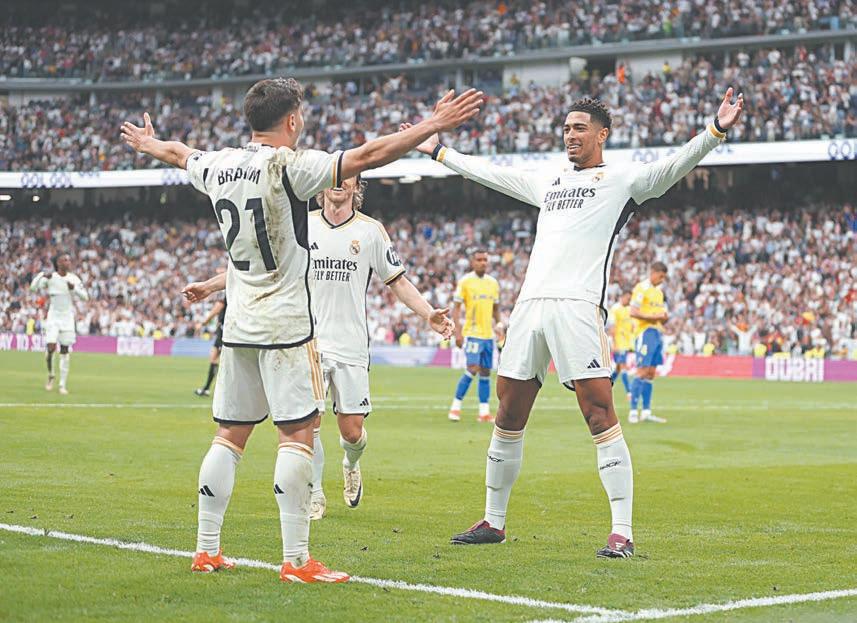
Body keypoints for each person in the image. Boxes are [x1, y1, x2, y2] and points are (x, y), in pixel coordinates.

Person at [121, 76, 483, 582]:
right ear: (292, 120)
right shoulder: (291, 166)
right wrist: (433, 124)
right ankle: (296, 560)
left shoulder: (219, 163)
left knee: (229, 435)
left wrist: (148, 144)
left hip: (239, 323)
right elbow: (370, 154)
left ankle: (206, 550)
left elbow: (180, 154)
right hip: (288, 325)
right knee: (297, 435)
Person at [402, 87, 744, 557]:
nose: (570, 135)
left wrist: (715, 130)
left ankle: (621, 531)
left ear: (602, 135)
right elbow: (493, 174)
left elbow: (673, 166)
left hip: (578, 307)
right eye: (566, 128)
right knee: (508, 412)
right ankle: (493, 521)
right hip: (530, 306)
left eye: (579, 128)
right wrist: (440, 151)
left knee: (598, 411)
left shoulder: (623, 180)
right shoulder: (551, 181)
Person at [184, 175, 454, 522]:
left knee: (352, 432)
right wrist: (209, 286)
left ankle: (351, 463)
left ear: (357, 188)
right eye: (334, 178)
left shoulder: (371, 231)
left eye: (347, 179)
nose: (339, 183)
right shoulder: (300, 225)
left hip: (351, 344)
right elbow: (260, 265)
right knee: (309, 422)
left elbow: (398, 282)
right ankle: (315, 492)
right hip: (308, 340)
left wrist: (428, 313)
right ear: (322, 186)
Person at [447, 250, 501, 423]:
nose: (483, 262)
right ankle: (455, 407)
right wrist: (457, 332)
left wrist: (499, 326)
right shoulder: (465, 281)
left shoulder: (493, 283)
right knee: (472, 368)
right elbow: (456, 308)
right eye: (479, 259)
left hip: (488, 335)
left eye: (485, 259)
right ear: (473, 262)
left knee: (485, 372)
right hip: (472, 333)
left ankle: (484, 413)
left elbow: (496, 309)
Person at [29, 253, 89, 395]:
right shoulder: (51, 278)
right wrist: (42, 275)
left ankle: (62, 384)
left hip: (67, 318)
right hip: (53, 317)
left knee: (64, 350)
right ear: (58, 263)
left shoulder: (73, 279)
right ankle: (51, 375)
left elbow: (85, 297)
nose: (68, 262)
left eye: (69, 260)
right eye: (65, 260)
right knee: (50, 347)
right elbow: (33, 288)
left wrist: (74, 289)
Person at [629, 263, 669, 424]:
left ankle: (646, 412)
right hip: (644, 332)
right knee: (642, 370)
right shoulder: (641, 288)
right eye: (660, 276)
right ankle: (633, 411)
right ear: (653, 272)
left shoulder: (659, 293)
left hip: (657, 332)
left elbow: (660, 315)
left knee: (651, 372)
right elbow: (633, 311)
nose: (662, 280)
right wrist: (654, 317)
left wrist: (663, 318)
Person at [194, 297, 225, 397]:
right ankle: (207, 388)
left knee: (223, 361)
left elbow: (217, 309)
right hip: (222, 331)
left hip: (225, 332)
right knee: (213, 358)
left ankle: (220, 389)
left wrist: (203, 323)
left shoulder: (225, 295)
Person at [607, 290, 633, 400]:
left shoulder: (628, 308)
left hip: (626, 342)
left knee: (618, 368)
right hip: (618, 342)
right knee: (623, 366)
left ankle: (607, 386)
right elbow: (612, 327)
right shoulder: (615, 309)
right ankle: (629, 392)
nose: (629, 301)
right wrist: (614, 344)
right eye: (628, 298)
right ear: (622, 297)